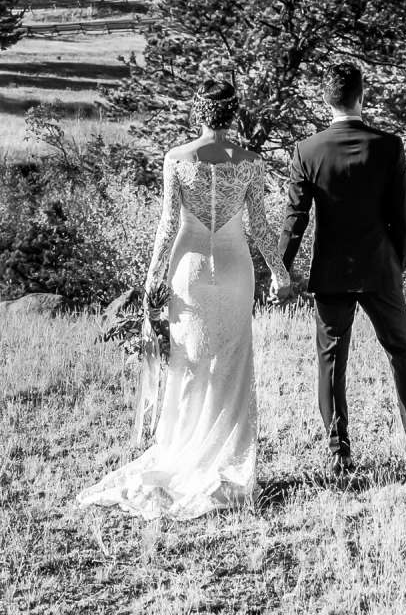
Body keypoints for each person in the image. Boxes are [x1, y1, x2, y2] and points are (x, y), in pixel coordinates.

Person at [75, 86, 290, 518]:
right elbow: (263, 228)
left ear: (200, 113)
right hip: (234, 269)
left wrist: (153, 276)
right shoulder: (251, 163)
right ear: (232, 115)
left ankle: (184, 448)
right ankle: (226, 461)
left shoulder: (177, 158)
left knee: (190, 362)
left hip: (187, 267)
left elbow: (168, 223)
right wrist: (282, 276)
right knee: (232, 360)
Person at [282, 61, 406, 472]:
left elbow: (296, 218)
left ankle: (339, 453)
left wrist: (282, 268)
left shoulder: (307, 151)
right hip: (380, 268)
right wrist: (395, 264)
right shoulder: (389, 146)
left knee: (331, 361)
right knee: (401, 353)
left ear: (325, 99)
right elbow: (402, 217)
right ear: (362, 95)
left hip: (331, 271)